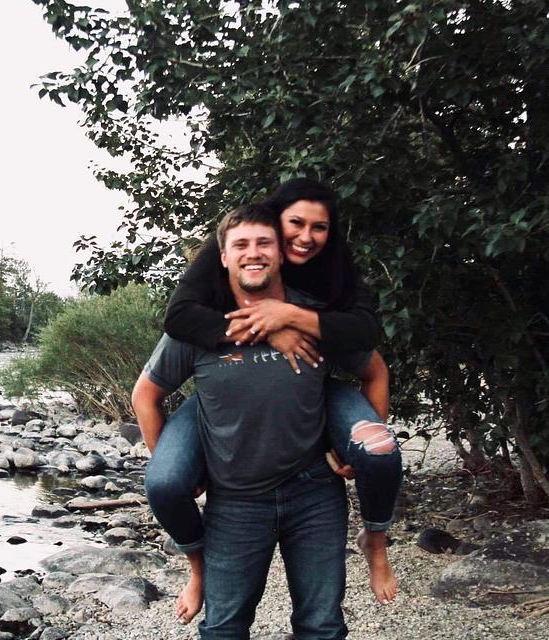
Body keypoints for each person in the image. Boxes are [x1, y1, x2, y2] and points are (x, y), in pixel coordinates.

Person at [147, 178, 402, 624]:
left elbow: (366, 339)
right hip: (234, 485)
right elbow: (175, 323)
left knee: (379, 450)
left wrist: (290, 317)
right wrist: (264, 328)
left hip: (314, 468)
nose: (306, 236)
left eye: (319, 227)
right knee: (166, 482)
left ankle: (375, 541)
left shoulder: (332, 270)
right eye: (295, 224)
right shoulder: (221, 269)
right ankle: (197, 568)